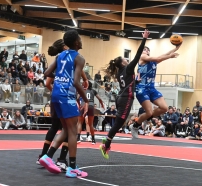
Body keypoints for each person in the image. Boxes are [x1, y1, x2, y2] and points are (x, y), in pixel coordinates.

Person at [39, 30, 89, 178]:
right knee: (73, 131)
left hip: (55, 96)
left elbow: (47, 73)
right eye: (80, 38)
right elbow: (75, 81)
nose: (81, 41)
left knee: (67, 129)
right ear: (76, 43)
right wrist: (86, 100)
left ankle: (48, 156)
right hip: (67, 96)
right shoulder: (79, 58)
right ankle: (72, 167)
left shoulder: (60, 55)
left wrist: (60, 77)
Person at [99, 29, 150, 159]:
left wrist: (135, 81)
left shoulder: (119, 72)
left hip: (121, 97)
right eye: (125, 59)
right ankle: (106, 143)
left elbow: (127, 82)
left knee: (119, 121)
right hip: (126, 98)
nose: (127, 60)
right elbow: (138, 55)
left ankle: (107, 142)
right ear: (123, 63)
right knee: (119, 122)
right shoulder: (127, 69)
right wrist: (144, 38)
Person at [130, 38, 181, 138]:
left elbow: (163, 55)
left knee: (164, 108)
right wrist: (170, 56)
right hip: (142, 88)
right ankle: (135, 125)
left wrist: (176, 48)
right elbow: (159, 58)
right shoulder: (142, 56)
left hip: (151, 88)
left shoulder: (153, 60)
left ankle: (147, 117)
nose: (147, 51)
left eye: (148, 50)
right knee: (148, 112)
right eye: (145, 49)